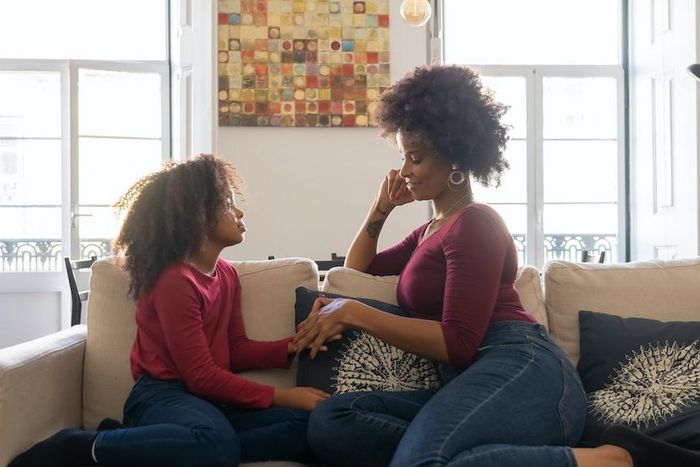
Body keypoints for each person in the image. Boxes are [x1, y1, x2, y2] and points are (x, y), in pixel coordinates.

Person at [293, 65, 639, 467]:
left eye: (416, 158)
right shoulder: (430, 231)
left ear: (455, 156)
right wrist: (381, 207)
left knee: (423, 460)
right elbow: (356, 272)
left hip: (522, 370)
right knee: (332, 419)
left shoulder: (475, 224)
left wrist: (353, 313)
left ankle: (603, 461)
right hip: (468, 383)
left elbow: (457, 344)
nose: (404, 171)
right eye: (404, 157)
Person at [10, 155, 329, 467]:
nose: (240, 211)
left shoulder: (227, 275)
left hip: (208, 405)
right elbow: (201, 376)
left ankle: (147, 443)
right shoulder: (175, 280)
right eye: (229, 204)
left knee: (306, 427)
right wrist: (284, 396)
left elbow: (235, 349)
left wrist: (295, 345)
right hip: (161, 397)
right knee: (213, 443)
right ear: (198, 215)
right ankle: (82, 446)